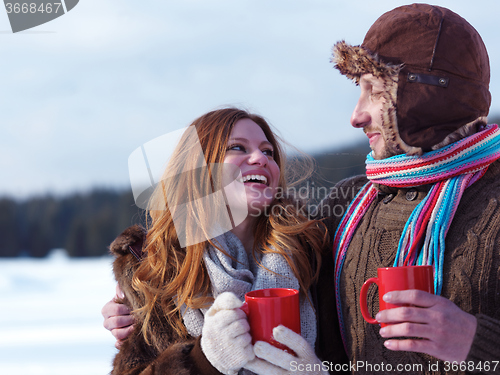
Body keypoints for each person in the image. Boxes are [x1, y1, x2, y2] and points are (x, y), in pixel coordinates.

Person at [314, 3, 500, 374]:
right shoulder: (347, 203)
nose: (356, 115)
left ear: (425, 95)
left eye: (375, 91)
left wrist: (476, 342)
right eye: (358, 90)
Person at [103, 107, 332, 375]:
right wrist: (204, 361)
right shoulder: (152, 267)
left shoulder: (314, 250)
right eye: (238, 148)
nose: (260, 158)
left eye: (268, 152)